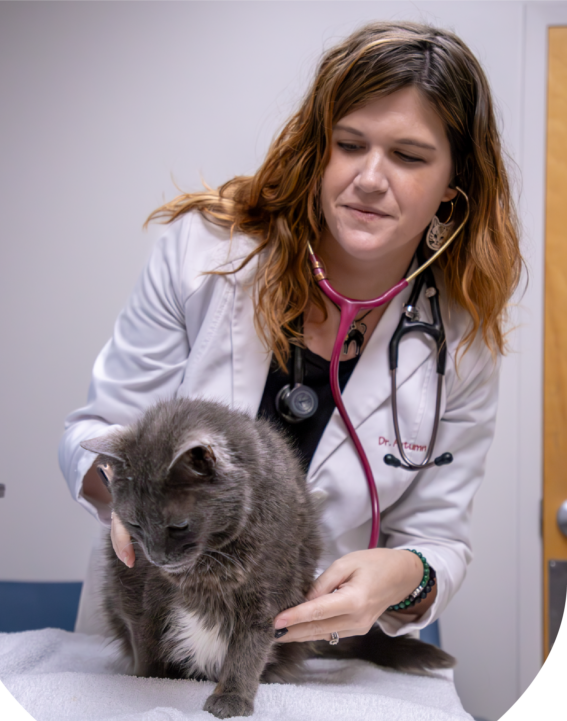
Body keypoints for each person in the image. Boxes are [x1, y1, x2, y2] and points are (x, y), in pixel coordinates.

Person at [59, 22, 520, 645]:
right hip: (152, 627)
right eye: (349, 144)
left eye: (409, 157)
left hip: (310, 657)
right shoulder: (207, 257)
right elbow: (92, 434)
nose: (370, 178)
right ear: (317, 150)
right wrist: (125, 487)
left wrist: (406, 574)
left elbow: (438, 542)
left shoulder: (458, 347)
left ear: (453, 188)